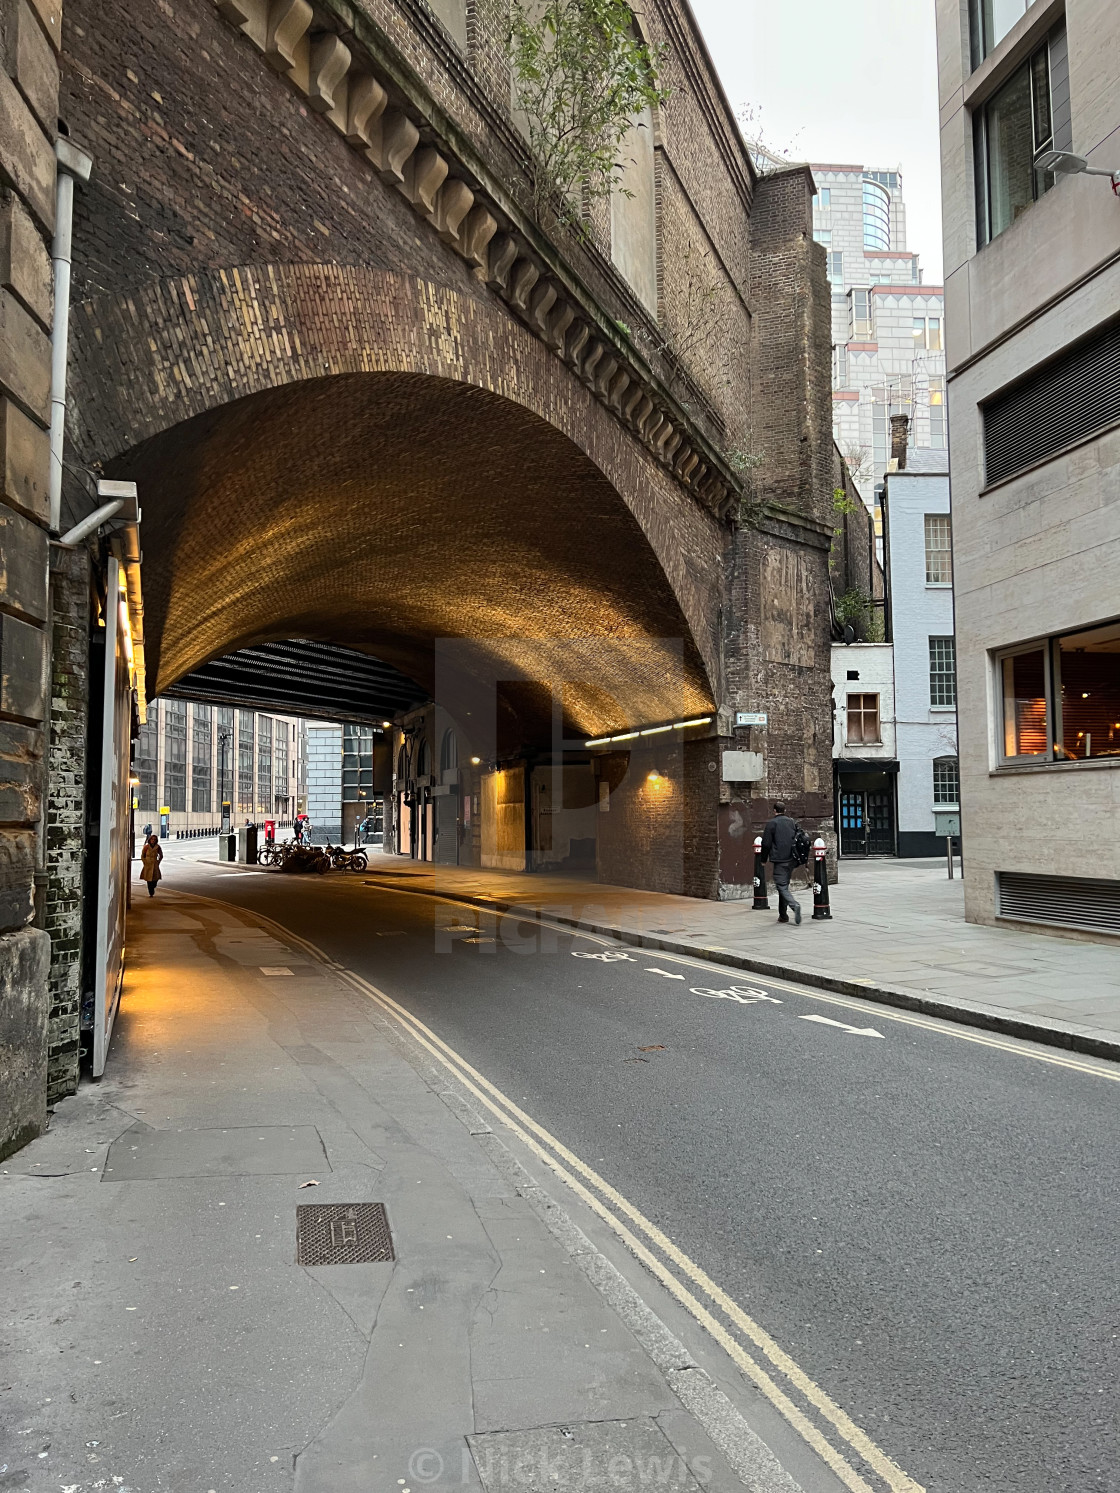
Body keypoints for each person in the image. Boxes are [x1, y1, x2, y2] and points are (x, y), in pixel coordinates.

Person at [761, 802, 801, 926]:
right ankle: (783, 915)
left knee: (781, 886)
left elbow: (766, 844)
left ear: (774, 811)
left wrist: (763, 859)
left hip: (780, 860)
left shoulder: (772, 824)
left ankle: (795, 906)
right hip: (792, 859)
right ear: (784, 810)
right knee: (784, 886)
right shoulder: (791, 822)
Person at [140, 833, 163, 898]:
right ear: (150, 840)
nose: (153, 840)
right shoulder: (146, 847)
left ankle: (154, 886)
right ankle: (151, 892)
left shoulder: (157, 847)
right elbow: (142, 855)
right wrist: (144, 862)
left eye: (154, 839)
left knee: (155, 878)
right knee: (148, 879)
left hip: (154, 863)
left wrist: (158, 862)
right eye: (152, 839)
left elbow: (161, 855)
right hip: (148, 864)